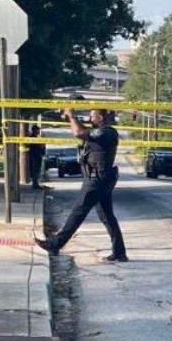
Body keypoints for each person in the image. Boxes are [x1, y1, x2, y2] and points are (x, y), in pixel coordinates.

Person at [36, 107, 127, 263]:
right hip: (100, 178)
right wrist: (72, 118)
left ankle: (55, 244)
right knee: (107, 216)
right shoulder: (101, 132)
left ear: (100, 118)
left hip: (97, 179)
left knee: (78, 212)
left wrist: (71, 115)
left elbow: (78, 133)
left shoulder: (105, 132)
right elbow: (81, 131)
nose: (89, 120)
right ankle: (119, 252)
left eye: (92, 117)